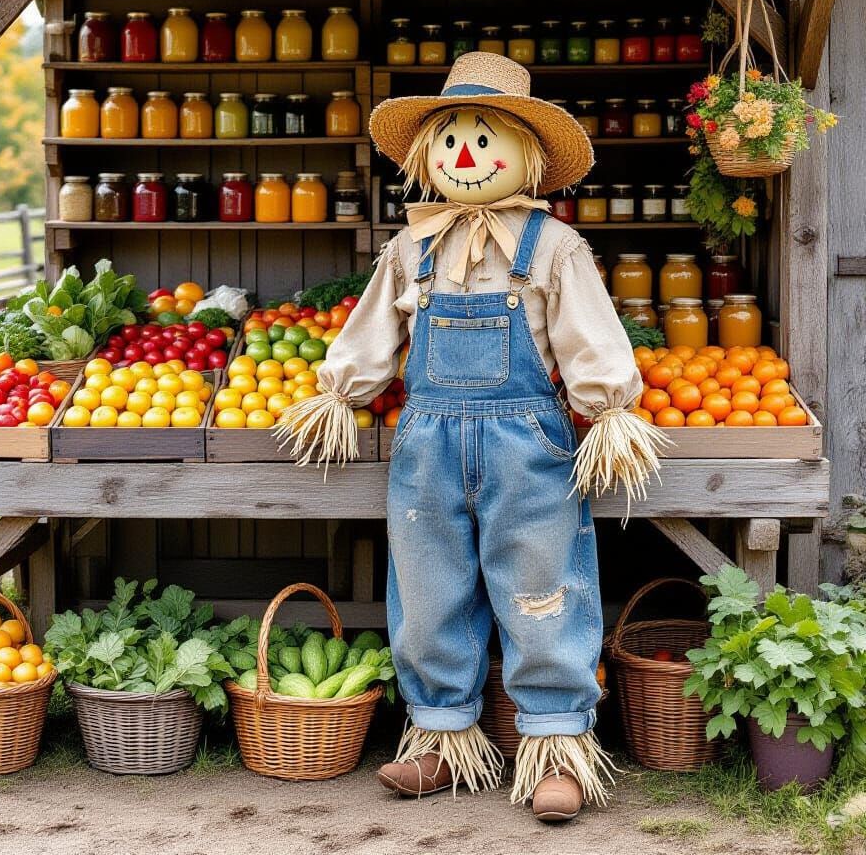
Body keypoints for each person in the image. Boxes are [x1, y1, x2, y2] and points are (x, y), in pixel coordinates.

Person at [277, 52, 664, 822]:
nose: (466, 155)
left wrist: (610, 406)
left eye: (485, 140)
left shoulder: (554, 247)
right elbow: (369, 336)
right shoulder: (409, 250)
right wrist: (339, 392)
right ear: (427, 155)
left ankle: (556, 750)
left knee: (543, 587)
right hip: (428, 443)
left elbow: (590, 336)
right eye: (452, 139)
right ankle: (440, 741)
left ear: (525, 155)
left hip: (530, 443)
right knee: (428, 591)